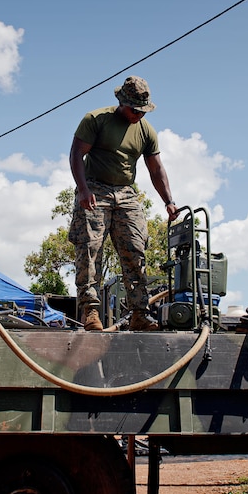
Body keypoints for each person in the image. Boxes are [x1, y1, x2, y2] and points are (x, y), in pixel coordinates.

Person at [68, 75, 179, 332]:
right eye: (134, 109)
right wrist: (83, 190)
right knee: (89, 249)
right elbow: (76, 154)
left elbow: (156, 169)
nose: (138, 114)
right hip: (95, 187)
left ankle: (139, 313)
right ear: (121, 103)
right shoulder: (96, 120)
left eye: (143, 110)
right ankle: (91, 312)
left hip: (126, 193)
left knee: (135, 250)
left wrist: (169, 201)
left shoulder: (146, 130)